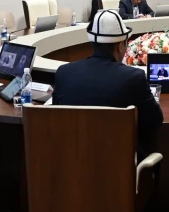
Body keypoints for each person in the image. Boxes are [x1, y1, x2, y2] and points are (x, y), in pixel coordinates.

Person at [52, 10, 163, 160]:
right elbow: (155, 120)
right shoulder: (133, 77)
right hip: (119, 167)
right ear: (120, 46)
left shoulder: (64, 73)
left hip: (71, 165)